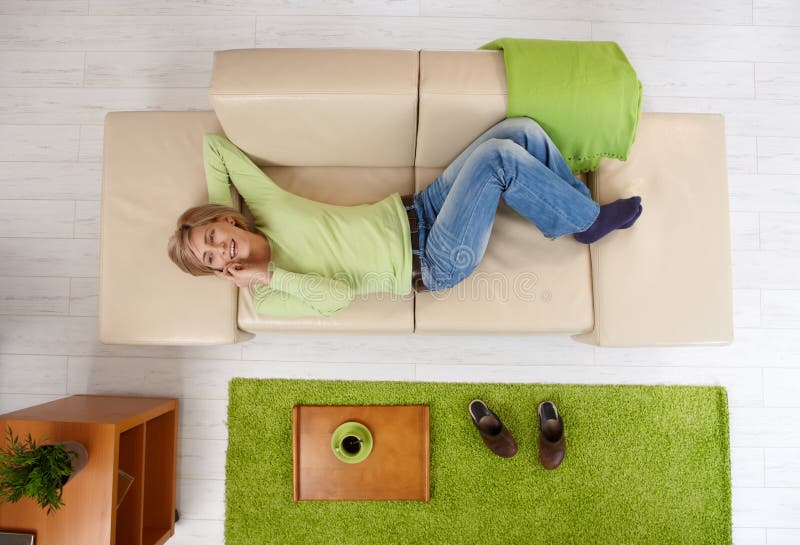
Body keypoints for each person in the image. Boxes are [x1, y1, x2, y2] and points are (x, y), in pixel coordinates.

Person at [167, 117, 642, 318]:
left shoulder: (263, 204)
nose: (216, 248)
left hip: (421, 205)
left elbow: (215, 149)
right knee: (498, 159)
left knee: (522, 130)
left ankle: (575, 214)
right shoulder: (267, 296)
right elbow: (336, 299)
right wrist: (265, 273)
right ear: (219, 272)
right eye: (209, 259)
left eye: (211, 235)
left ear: (227, 221)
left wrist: (214, 210)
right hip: (434, 261)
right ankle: (587, 221)